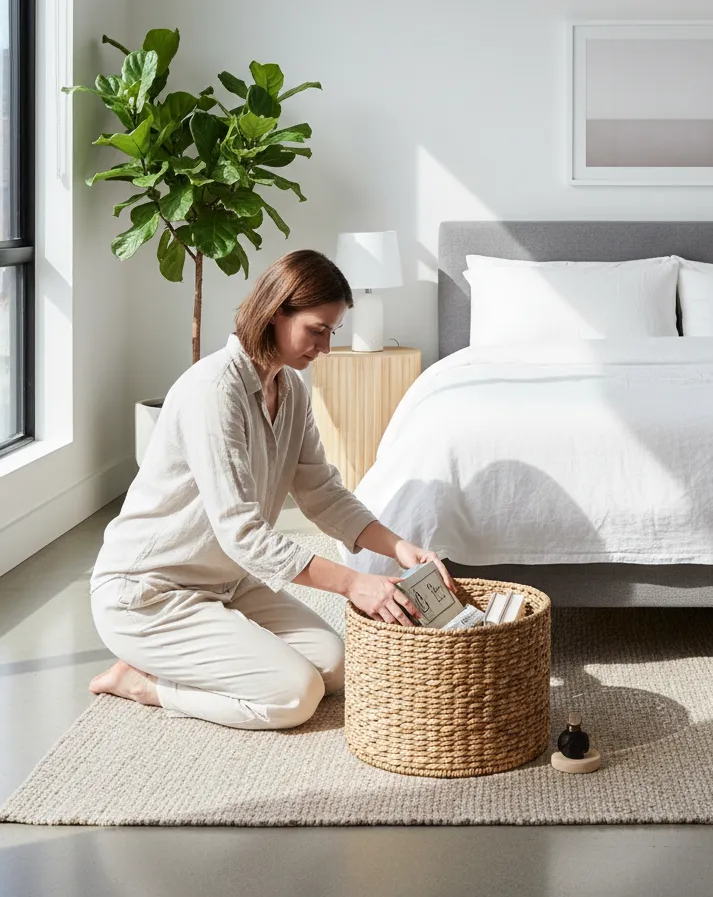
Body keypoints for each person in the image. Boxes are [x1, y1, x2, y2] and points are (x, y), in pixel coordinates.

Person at [88, 249, 454, 730]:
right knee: (295, 696)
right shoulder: (213, 391)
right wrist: (353, 583)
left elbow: (321, 490)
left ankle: (208, 645)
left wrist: (400, 547)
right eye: (316, 330)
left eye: (331, 332)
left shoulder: (292, 389)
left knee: (336, 667)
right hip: (150, 591)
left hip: (228, 583)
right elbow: (242, 534)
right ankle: (144, 684)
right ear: (276, 312)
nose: (324, 347)